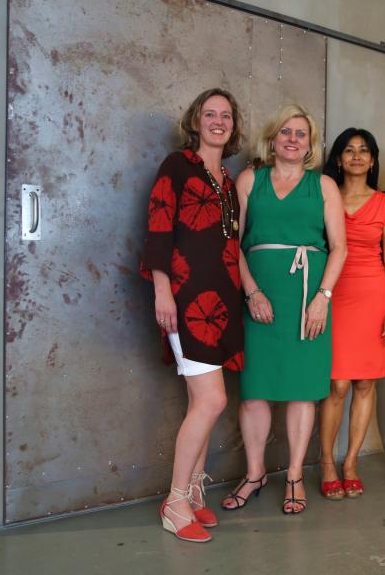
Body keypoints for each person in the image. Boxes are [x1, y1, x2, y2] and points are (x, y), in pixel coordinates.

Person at [221, 104, 347, 515]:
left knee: (302, 390)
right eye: (286, 132)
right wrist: (251, 292)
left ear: (310, 145)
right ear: (273, 139)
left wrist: (322, 298)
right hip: (259, 295)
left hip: (308, 298)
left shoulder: (324, 186)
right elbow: (233, 244)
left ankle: (294, 475)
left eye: (301, 134)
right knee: (254, 389)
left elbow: (339, 247)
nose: (293, 139)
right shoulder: (249, 180)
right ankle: (254, 473)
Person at [140, 88, 245, 542]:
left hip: (222, 304)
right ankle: (175, 501)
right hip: (188, 302)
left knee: (200, 402)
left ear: (233, 125)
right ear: (196, 121)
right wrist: (162, 290)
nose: (218, 121)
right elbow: (158, 229)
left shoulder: (227, 180)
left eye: (226, 115)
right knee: (212, 401)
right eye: (210, 114)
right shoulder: (177, 165)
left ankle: (195, 491)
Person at [317, 128, 385, 499]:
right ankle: (326, 462)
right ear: (338, 159)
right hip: (332, 292)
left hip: (372, 296)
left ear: (372, 160)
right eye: (349, 150)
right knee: (336, 385)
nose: (356, 156)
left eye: (363, 150)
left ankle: (350, 462)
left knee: (366, 383)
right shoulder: (324, 194)